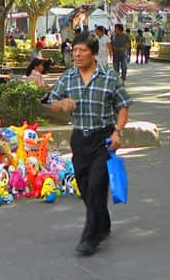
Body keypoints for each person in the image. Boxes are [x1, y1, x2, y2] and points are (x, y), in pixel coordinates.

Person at [48, 33, 131, 256]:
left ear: (93, 53)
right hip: (79, 139)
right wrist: (61, 104)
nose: (77, 54)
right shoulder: (68, 77)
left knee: (96, 185)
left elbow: (123, 105)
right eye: (75, 50)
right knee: (85, 188)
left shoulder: (109, 77)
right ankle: (102, 223)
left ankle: (90, 237)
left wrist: (117, 132)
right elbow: (52, 102)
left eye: (82, 50)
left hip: (103, 138)